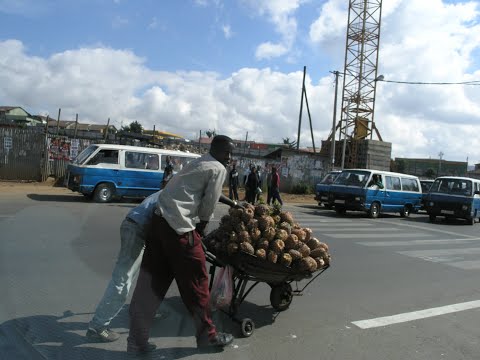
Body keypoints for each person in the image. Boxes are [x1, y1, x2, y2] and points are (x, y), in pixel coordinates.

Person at [127, 135, 238, 355]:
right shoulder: (218, 168)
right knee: (197, 282)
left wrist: (233, 202)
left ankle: (136, 341)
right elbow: (208, 204)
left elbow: (204, 192)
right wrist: (201, 231)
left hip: (159, 221)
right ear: (218, 150)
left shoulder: (199, 161)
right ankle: (209, 336)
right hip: (178, 227)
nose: (230, 157)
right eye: (228, 152)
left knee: (151, 283)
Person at [86, 191, 160, 343]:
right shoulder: (180, 191)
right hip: (137, 229)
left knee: (147, 274)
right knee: (122, 280)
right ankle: (97, 327)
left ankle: (142, 310)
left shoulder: (177, 185)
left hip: (137, 226)